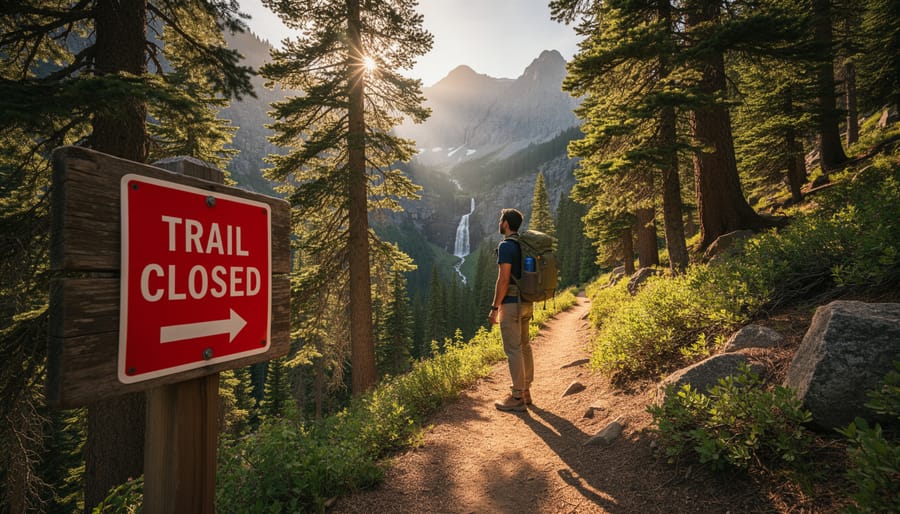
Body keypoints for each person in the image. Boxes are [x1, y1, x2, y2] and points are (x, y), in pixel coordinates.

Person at [488, 208, 534, 412]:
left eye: (500, 220)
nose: (499, 222)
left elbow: (504, 279)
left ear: (506, 223)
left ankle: (516, 396)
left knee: (513, 348)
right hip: (526, 303)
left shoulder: (506, 246)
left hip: (511, 304)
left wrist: (494, 307)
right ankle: (526, 391)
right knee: (524, 345)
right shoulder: (523, 245)